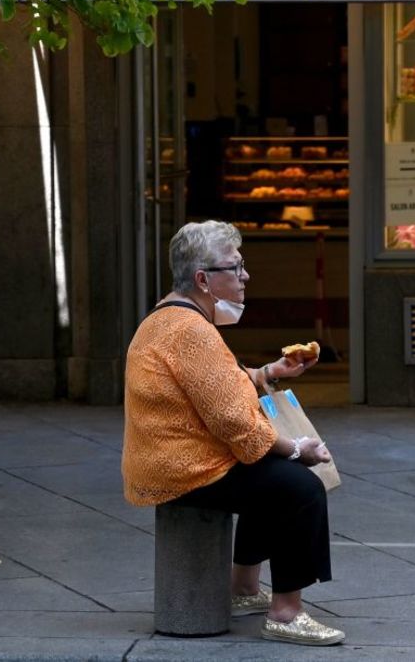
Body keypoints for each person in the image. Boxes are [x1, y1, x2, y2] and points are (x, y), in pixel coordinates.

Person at [122, 220, 344, 647]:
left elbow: (212, 384)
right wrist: (297, 449)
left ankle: (243, 588)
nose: (245, 277)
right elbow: (234, 423)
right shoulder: (192, 332)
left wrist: (267, 373)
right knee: (300, 487)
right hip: (182, 470)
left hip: (168, 461)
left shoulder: (169, 316)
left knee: (268, 470)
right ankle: (286, 612)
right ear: (204, 279)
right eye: (235, 267)